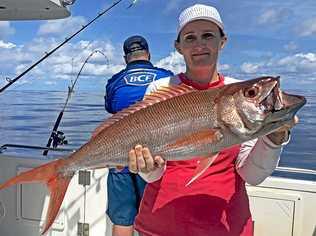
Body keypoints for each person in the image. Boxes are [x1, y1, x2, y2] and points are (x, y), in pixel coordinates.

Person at [127, 4, 297, 236]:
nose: (199, 44)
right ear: (178, 46)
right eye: (190, 37)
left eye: (208, 35)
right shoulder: (160, 89)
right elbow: (152, 175)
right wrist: (147, 168)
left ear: (222, 41)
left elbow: (253, 176)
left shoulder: (236, 91)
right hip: (160, 225)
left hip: (226, 228)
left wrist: (273, 139)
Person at [104, 35, 173, 236]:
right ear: (148, 54)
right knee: (151, 218)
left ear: (126, 58)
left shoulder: (115, 81)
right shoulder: (165, 77)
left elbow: (111, 108)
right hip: (154, 158)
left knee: (123, 219)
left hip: (119, 157)